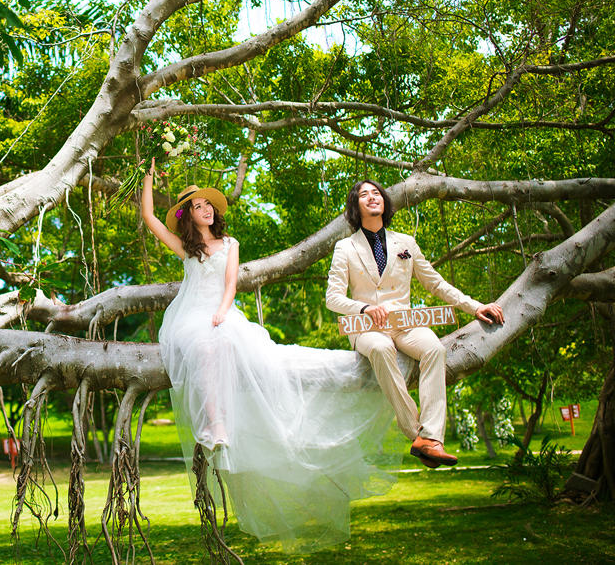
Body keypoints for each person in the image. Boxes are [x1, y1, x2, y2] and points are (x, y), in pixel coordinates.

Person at [141, 161, 396, 552]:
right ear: (188, 216)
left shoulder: (230, 245)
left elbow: (230, 284)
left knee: (239, 346)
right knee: (204, 345)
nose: (207, 209)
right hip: (189, 315)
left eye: (209, 204)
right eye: (198, 207)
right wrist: (148, 172)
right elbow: (149, 219)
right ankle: (214, 427)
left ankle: (227, 426)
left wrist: (224, 311)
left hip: (221, 311)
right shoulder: (187, 249)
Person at [325, 179, 505, 468]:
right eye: (364, 194)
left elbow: (436, 283)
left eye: (376, 193)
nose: (372, 197)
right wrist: (365, 308)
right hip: (366, 328)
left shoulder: (406, 243)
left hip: (405, 323)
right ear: (355, 206)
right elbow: (333, 298)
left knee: (434, 348)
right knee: (382, 349)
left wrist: (475, 306)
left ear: (384, 201)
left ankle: (433, 437)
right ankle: (416, 433)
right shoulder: (344, 247)